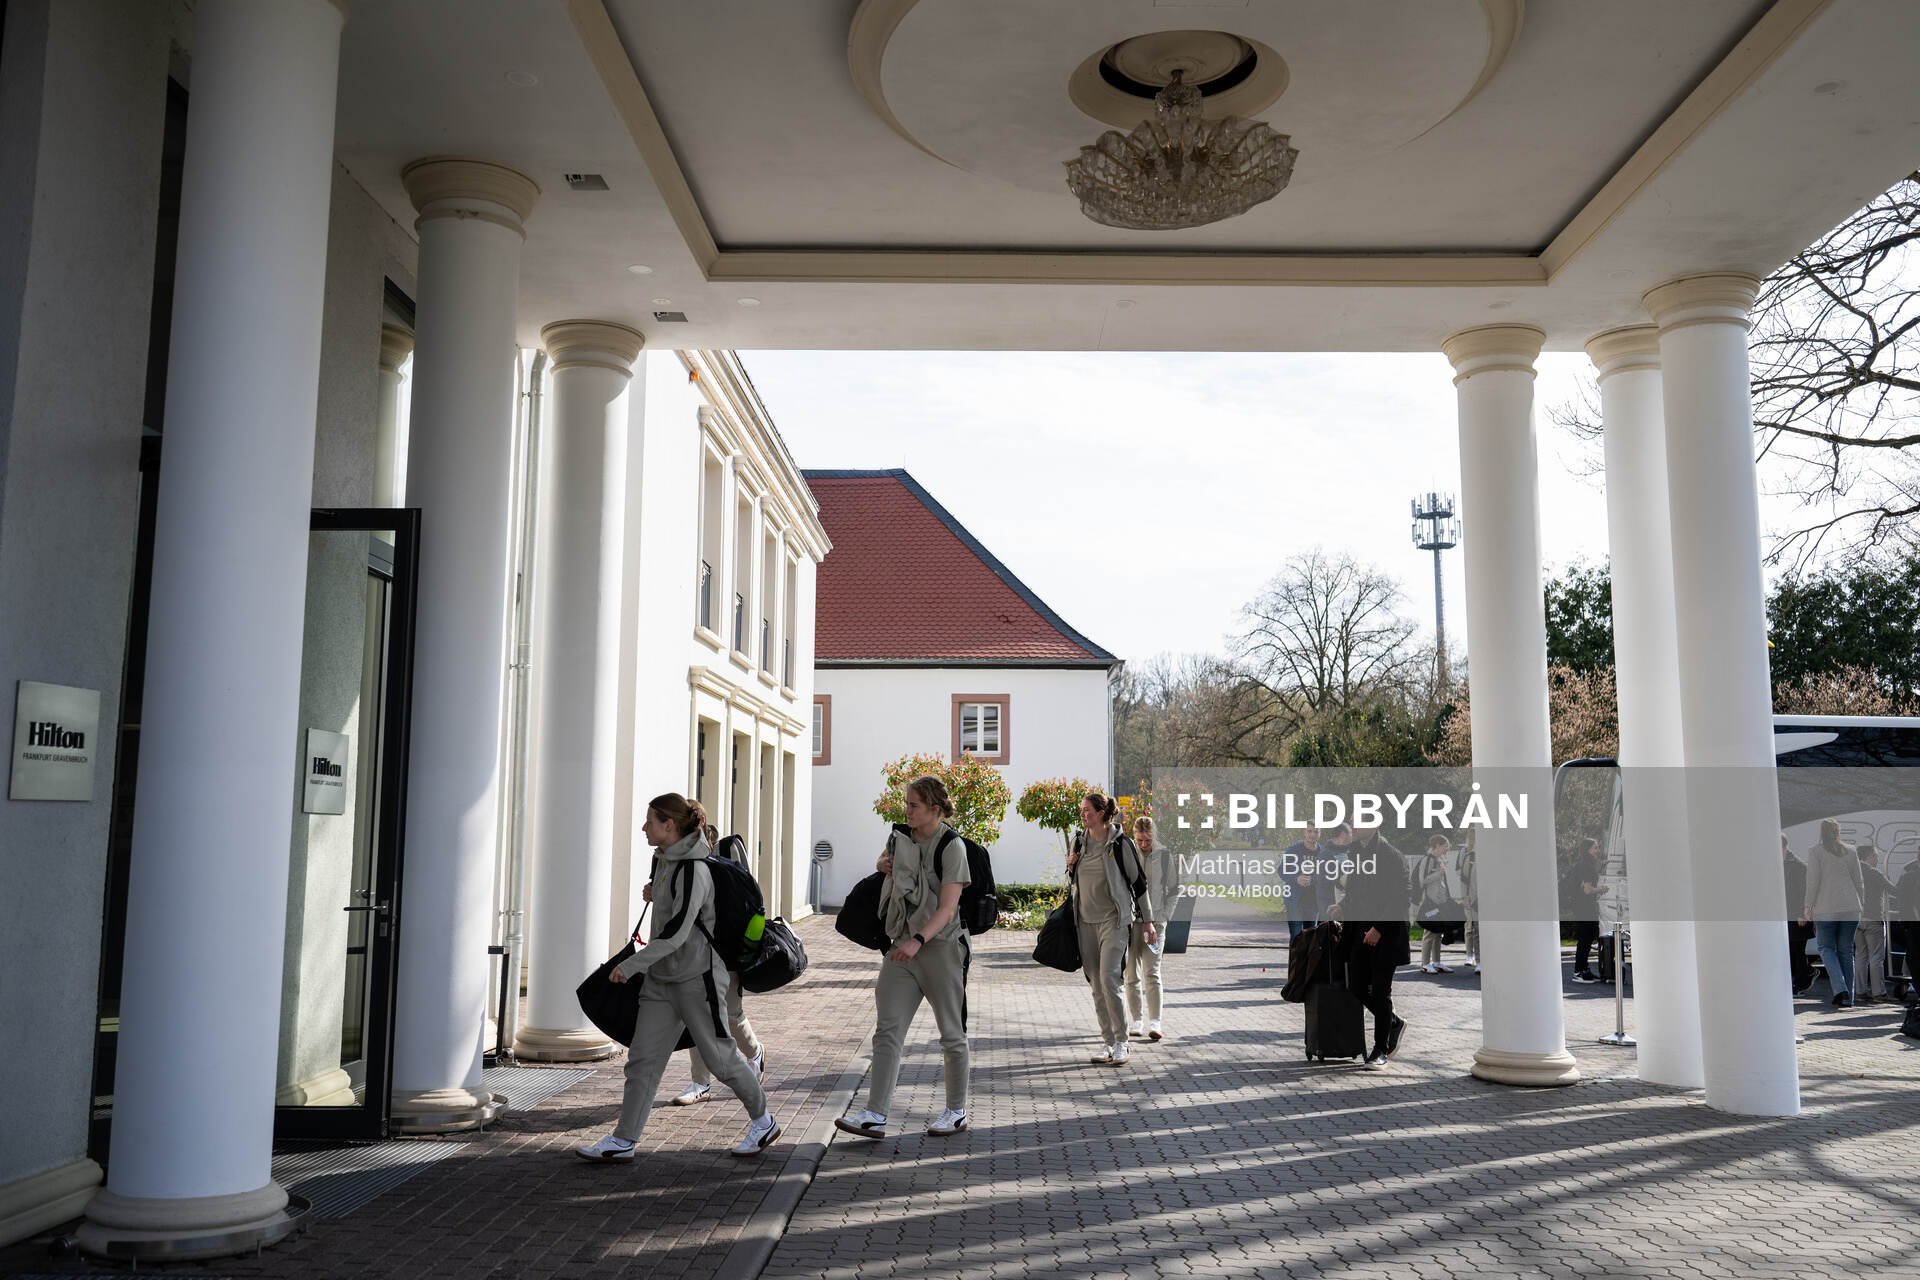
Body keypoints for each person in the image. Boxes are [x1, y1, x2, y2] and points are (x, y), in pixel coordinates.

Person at [576, 794, 780, 1162]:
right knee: (642, 1060)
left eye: (650, 821)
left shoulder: (693, 869)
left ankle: (763, 1119)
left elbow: (677, 932)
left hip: (696, 978)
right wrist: (655, 894)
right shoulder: (665, 860)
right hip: (662, 981)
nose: (644, 828)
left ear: (669, 825)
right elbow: (671, 915)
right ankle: (624, 1140)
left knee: (720, 1059)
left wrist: (631, 966)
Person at [835, 775, 973, 1139]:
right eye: (907, 804)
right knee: (887, 1031)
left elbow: (947, 908)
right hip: (901, 948)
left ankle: (956, 1110)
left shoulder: (951, 846)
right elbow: (886, 860)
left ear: (934, 808)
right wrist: (882, 865)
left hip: (940, 948)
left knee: (951, 1033)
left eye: (914, 805)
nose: (907, 810)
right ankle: (875, 1113)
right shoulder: (902, 836)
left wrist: (918, 940)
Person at [668, 828, 767, 1105]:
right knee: (695, 1016)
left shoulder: (723, 860)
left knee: (732, 1014)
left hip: (726, 953)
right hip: (693, 956)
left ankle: (756, 1052)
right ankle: (700, 1083)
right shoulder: (675, 862)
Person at [1065, 791, 1153, 1066]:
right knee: (1096, 985)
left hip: (1114, 922)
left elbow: (1139, 884)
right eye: (1081, 810)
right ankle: (1108, 1042)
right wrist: (1070, 867)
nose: (1083, 814)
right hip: (1084, 923)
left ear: (1101, 813)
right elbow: (1074, 882)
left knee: (1109, 979)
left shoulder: (1120, 845)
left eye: (1087, 809)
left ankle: (1122, 1042)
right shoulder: (1078, 842)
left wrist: (1148, 921)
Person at [1330, 821, 1410, 1066]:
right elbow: (1354, 891)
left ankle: (1380, 1049)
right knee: (1355, 985)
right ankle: (1393, 1023)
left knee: (1380, 990)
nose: (1353, 825)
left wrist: (1379, 928)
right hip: (1358, 932)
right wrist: (1342, 906)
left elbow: (1402, 898)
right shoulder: (1356, 853)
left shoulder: (1392, 856)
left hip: (1385, 935)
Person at [1800, 818, 1864, 1009]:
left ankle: (1841, 988)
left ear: (1821, 832)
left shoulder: (1815, 851)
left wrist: (1807, 905)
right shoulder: (1851, 850)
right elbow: (1859, 881)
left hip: (1825, 907)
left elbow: (1813, 881)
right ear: (1838, 831)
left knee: (1826, 948)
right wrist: (1861, 904)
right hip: (1851, 907)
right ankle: (1848, 998)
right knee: (1846, 951)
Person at [1125, 815, 1179, 1040]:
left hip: (1155, 924)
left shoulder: (1165, 856)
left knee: (1152, 972)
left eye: (1147, 840)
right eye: (1139, 840)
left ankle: (1155, 1023)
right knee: (1130, 975)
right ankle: (1137, 1020)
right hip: (1129, 923)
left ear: (1153, 836)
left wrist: (1164, 918)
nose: (1144, 845)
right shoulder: (1127, 853)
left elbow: (1174, 890)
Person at [1854, 843, 1895, 1003]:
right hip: (1873, 919)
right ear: (1869, 857)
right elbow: (1893, 891)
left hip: (1856, 919)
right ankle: (1879, 993)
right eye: (1875, 855)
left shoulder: (1853, 873)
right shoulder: (1874, 873)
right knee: (1876, 957)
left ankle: (1860, 991)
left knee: (1860, 956)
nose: (1877, 858)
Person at [1414, 834, 1454, 974]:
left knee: (1438, 933)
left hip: (1440, 902)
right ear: (1437, 846)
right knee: (1429, 933)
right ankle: (1425, 964)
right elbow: (1422, 880)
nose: (1447, 848)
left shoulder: (1439, 860)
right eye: (1445, 845)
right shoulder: (1428, 859)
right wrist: (1439, 873)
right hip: (1430, 903)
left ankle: (1436, 962)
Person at [1281, 824, 1328, 942]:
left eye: (1316, 832)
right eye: (1309, 831)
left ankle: (1307, 961)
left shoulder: (1323, 853)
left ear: (1320, 833)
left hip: (1313, 902)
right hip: (1294, 901)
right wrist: (1296, 879)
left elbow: (1326, 875)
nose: (1312, 834)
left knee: (1310, 937)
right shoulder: (1293, 850)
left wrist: (1312, 880)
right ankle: (1295, 961)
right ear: (1304, 832)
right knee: (1296, 935)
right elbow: (1281, 871)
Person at [1566, 839, 1603, 984]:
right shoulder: (1587, 867)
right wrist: (1601, 889)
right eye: (1595, 847)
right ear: (1588, 850)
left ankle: (1584, 970)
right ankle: (1579, 972)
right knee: (1585, 940)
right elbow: (1587, 890)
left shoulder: (1581, 865)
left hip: (1580, 908)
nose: (1597, 850)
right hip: (1585, 909)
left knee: (1585, 940)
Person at [1783, 834, 1814, 995]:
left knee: (1797, 950)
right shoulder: (1780, 863)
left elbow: (1804, 891)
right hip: (1786, 914)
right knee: (1789, 949)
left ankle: (1802, 981)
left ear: (1784, 847)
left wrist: (1802, 913)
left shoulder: (1798, 866)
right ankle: (1803, 976)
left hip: (1797, 915)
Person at [1458, 830, 1481, 974]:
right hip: (1474, 900)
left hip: (1491, 900)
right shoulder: (1469, 857)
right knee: (1476, 931)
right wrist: (1465, 897)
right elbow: (1463, 879)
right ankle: (1479, 961)